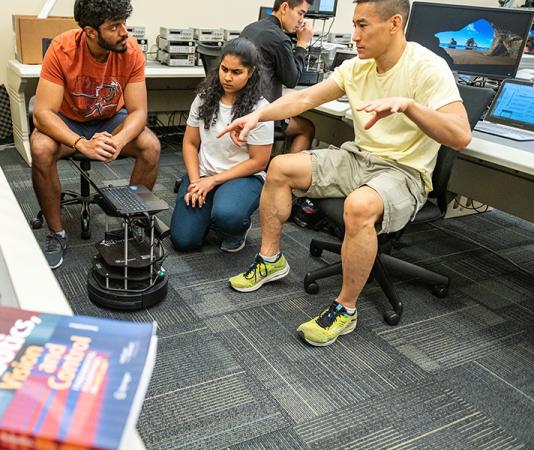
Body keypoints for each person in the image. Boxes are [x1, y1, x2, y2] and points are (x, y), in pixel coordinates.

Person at [221, 0, 471, 347]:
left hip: (405, 171)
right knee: (281, 167)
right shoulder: (358, 67)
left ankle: (345, 308)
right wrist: (256, 117)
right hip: (360, 158)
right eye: (354, 25)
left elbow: (461, 136)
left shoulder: (428, 67)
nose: (354, 36)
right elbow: (303, 99)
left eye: (363, 26)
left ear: (394, 23)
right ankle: (270, 260)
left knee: (359, 206)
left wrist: (410, 106)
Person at [30, 0, 161, 268]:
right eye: (115, 26)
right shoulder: (62, 49)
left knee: (150, 146)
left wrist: (119, 140)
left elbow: (138, 112)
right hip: (70, 121)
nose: (124, 31)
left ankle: (132, 224)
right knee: (41, 148)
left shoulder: (131, 50)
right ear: (90, 32)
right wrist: (81, 143)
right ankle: (57, 233)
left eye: (124, 22)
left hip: (111, 120)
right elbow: (42, 113)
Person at [170, 38, 274, 253]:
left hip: (241, 178)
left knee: (228, 216)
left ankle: (236, 229)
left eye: (236, 72)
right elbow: (190, 143)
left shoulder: (260, 110)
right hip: (204, 175)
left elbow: (259, 161)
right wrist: (196, 181)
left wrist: (213, 182)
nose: (227, 77)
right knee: (183, 241)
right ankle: (209, 212)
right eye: (224, 69)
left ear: (251, 72)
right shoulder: (203, 99)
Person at [240, 0, 316, 153]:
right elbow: (292, 80)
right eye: (300, 13)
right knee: (307, 128)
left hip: (239, 107)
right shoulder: (279, 38)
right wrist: (302, 43)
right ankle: (285, 173)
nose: (302, 20)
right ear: (285, 7)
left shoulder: (250, 28)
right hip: (262, 115)